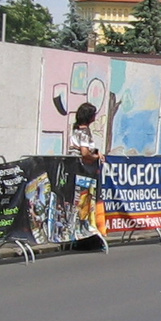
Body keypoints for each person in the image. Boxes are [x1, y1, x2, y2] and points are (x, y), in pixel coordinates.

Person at [67, 102, 107, 239]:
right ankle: (83, 229)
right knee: (84, 199)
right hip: (82, 170)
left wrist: (96, 151)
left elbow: (79, 148)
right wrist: (96, 157)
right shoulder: (85, 132)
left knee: (76, 200)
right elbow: (85, 153)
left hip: (73, 167)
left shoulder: (76, 129)